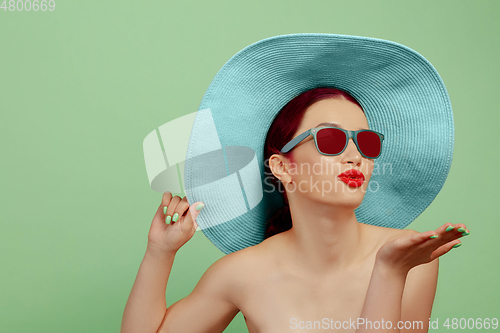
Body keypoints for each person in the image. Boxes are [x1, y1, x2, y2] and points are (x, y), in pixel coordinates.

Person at [121, 34, 469, 333]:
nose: (355, 157)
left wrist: (390, 272)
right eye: (331, 140)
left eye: (367, 143)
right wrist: (159, 252)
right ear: (282, 168)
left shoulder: (410, 258)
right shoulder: (241, 272)